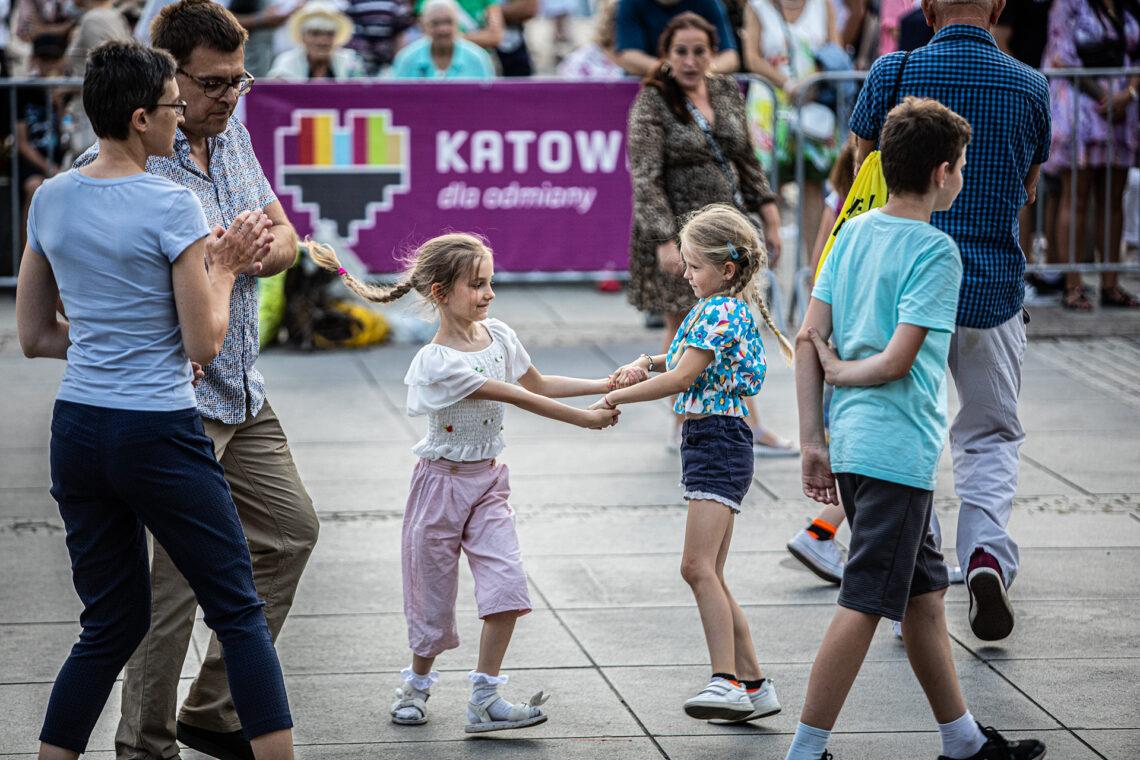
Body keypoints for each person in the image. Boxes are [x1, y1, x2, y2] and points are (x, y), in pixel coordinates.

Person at [16, 40, 296, 760]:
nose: (181, 118)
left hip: (78, 430)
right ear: (141, 118)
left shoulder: (50, 196)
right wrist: (228, 267)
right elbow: (204, 343)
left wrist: (114, 335)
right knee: (237, 611)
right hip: (156, 430)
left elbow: (35, 335)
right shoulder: (171, 203)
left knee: (108, 624)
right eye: (173, 106)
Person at [74, 3, 321, 759]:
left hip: (242, 388)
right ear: (168, 76)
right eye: (212, 85)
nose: (228, 97)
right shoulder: (133, 158)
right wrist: (226, 257)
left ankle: (213, 712)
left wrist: (242, 254)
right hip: (175, 399)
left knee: (290, 533)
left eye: (238, 80)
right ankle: (143, 746)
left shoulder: (232, 132)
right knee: (171, 588)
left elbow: (283, 239)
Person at [787, 95, 1047, 760]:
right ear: (941, 172)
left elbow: (808, 337)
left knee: (925, 597)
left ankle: (962, 742)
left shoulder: (852, 234)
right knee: (865, 602)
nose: (963, 176)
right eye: (961, 166)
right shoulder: (938, 253)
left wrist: (814, 441)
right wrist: (845, 376)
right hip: (896, 452)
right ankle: (805, 751)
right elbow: (899, 359)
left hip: (851, 445)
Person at [306, 233, 623, 731]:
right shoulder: (438, 364)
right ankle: (415, 684)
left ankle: (485, 697)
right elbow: (519, 399)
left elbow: (537, 384)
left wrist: (608, 383)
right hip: (441, 488)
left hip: (489, 484)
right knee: (431, 597)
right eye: (476, 285)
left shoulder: (498, 335)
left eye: (490, 282)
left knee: (506, 587)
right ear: (440, 292)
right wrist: (584, 419)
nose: (489, 293)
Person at [849, 0, 1051, 642]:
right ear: (996, 6)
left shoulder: (893, 72)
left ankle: (921, 571)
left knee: (910, 436)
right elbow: (1028, 190)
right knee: (989, 433)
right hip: (991, 287)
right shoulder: (1032, 84)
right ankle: (986, 553)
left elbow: (863, 177)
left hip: (905, 286)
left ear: (928, 6)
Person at [596, 203, 792, 724]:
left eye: (693, 266)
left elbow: (684, 378)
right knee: (713, 573)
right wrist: (644, 361)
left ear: (726, 269)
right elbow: (682, 359)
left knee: (696, 567)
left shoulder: (717, 310)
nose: (685, 274)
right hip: (719, 441)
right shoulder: (726, 309)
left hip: (717, 441)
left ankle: (725, 682)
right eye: (685, 264)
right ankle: (753, 684)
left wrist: (618, 399)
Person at [626, 12, 790, 454]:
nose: (690, 60)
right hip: (680, 233)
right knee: (684, 322)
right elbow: (645, 177)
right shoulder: (652, 101)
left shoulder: (723, 91)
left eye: (700, 50)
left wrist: (769, 212)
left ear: (712, 53)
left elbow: (747, 159)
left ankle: (738, 420)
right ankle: (685, 422)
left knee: (726, 327)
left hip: (726, 230)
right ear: (666, 55)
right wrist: (665, 240)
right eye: (681, 51)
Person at [1041, 0, 1140, 309]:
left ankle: (1111, 284)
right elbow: (1061, 56)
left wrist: (1129, 94)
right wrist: (1108, 99)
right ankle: (1073, 285)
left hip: (1123, 111)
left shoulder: (1130, 6)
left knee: (1114, 197)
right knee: (1077, 196)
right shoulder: (1069, 5)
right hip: (1080, 108)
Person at [741, 0, 844, 260]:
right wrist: (788, 84)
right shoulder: (757, 6)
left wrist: (813, 84)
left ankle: (814, 271)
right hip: (769, 108)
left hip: (813, 108)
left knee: (813, 185)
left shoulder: (823, 5)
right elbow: (751, 57)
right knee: (769, 189)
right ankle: (767, 277)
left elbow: (835, 50)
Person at [16, 34, 69, 248]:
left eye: (54, 58)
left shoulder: (67, 90)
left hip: (63, 157)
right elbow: (22, 142)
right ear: (34, 60)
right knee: (34, 187)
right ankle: (25, 261)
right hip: (34, 161)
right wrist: (49, 167)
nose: (49, 64)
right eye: (44, 58)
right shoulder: (22, 91)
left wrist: (58, 105)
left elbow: (68, 133)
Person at [615, 0, 740, 75]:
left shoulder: (709, 3)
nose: (689, 61)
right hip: (647, 89)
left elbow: (730, 58)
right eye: (680, 51)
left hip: (702, 92)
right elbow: (629, 57)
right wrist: (671, 71)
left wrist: (701, 71)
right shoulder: (630, 3)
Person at [391, 0, 496, 78]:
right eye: (435, 23)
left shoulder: (478, 58)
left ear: (457, 25)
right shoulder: (407, 59)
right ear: (425, 26)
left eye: (448, 22)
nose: (443, 29)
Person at [267, 0, 366, 79]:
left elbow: (361, 93)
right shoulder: (286, 62)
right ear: (302, 36)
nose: (322, 41)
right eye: (315, 33)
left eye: (329, 34)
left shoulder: (350, 61)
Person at [342, 0, 415, 75]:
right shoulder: (352, 3)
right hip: (358, 63)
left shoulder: (396, 3)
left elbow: (400, 33)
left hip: (386, 65)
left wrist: (396, 64)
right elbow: (347, 29)